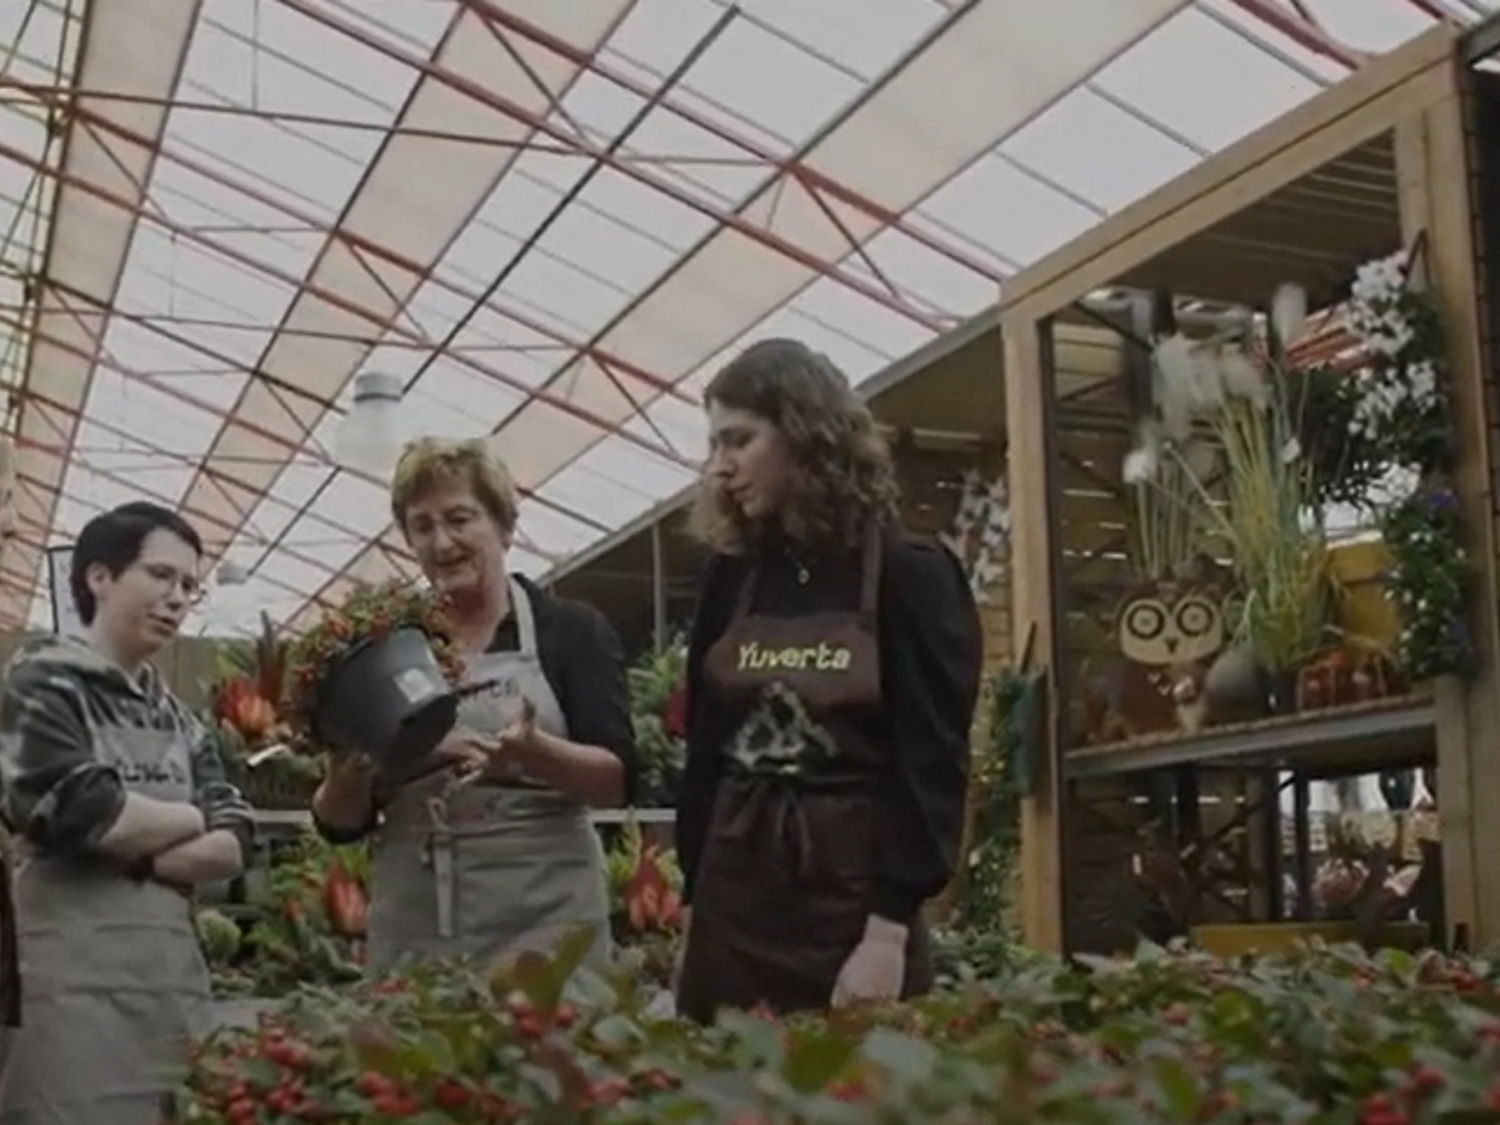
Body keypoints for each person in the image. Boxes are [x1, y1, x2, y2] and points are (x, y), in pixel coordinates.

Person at [672, 338, 982, 1023]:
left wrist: (888, 930)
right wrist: (693, 904)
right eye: (714, 444)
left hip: (852, 907)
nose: (720, 466)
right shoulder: (732, 578)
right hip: (734, 895)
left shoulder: (910, 574)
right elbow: (705, 753)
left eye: (740, 440)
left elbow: (931, 763)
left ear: (807, 436)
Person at [311, 437, 635, 973]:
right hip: (418, 920)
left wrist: (534, 755)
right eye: (422, 526)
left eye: (460, 519)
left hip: (550, 919)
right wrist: (353, 770)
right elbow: (337, 822)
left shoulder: (571, 632)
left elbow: (617, 782)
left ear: (504, 526)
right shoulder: (386, 645)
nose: (442, 542)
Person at [0, 502, 254, 1124]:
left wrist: (131, 838)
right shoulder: (41, 683)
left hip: (171, 986)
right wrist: (191, 818)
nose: (178, 598)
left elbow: (236, 841)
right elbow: (80, 811)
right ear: (99, 576)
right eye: (161, 575)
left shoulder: (180, 718)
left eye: (189, 586)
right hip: (65, 992)